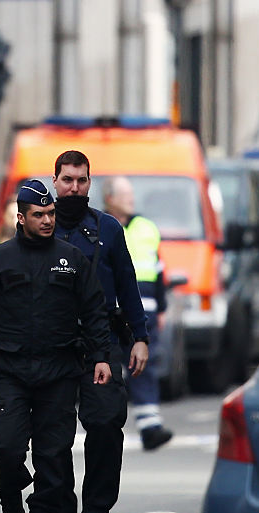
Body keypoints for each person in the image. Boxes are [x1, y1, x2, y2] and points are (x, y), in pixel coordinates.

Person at [0, 180, 112, 513]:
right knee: (6, 448)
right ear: (21, 217)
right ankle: (11, 510)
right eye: (38, 215)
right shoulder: (0, 257)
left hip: (58, 371)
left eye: (50, 214)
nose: (46, 220)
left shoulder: (71, 257)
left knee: (53, 454)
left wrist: (101, 356)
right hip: (10, 371)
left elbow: (94, 311)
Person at [50, 150, 149, 513]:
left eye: (82, 181)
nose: (75, 188)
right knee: (52, 437)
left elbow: (128, 284)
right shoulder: (43, 226)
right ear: (54, 181)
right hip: (52, 343)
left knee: (106, 425)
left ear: (91, 183)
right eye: (68, 180)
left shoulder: (108, 228)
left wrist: (139, 336)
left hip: (102, 341)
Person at [103, 176, 174, 451]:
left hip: (144, 312)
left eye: (131, 195)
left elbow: (158, 271)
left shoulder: (147, 228)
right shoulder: (100, 226)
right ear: (110, 198)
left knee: (143, 367)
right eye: (125, 195)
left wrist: (162, 307)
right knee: (106, 367)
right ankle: (106, 425)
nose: (131, 200)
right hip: (111, 311)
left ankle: (150, 427)